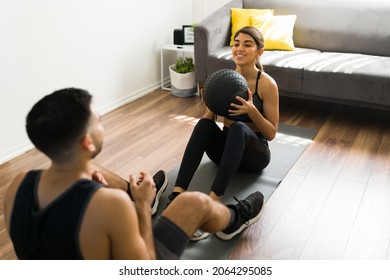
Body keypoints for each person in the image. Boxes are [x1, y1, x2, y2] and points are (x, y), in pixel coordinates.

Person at [3, 87, 264, 260]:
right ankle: (233, 219)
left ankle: (151, 198)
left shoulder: (18, 184)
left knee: (88, 168)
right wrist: (139, 205)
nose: (102, 126)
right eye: (99, 122)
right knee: (192, 202)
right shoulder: (110, 205)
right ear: (87, 142)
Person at [166, 26, 279, 240]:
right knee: (202, 125)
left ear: (259, 52)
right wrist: (210, 102)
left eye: (247, 44)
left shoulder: (267, 84)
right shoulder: (224, 80)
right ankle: (177, 195)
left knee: (238, 127)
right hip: (225, 153)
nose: (240, 48)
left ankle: (212, 202)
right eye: (236, 43)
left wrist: (251, 110)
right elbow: (209, 123)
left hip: (254, 155)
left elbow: (272, 133)